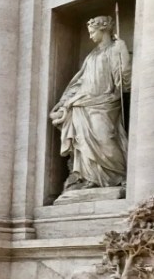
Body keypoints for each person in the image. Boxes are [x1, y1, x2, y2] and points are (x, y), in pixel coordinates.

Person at [50, 15, 131, 191]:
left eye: (93, 32)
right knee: (83, 141)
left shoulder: (116, 48)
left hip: (106, 102)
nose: (90, 36)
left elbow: (124, 78)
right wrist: (64, 102)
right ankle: (90, 177)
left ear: (104, 30)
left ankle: (120, 175)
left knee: (106, 138)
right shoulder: (92, 55)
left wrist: (123, 50)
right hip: (83, 102)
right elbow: (80, 81)